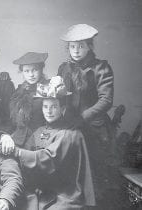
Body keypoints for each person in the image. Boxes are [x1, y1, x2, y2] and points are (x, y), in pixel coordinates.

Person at [12, 76, 95, 210]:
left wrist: (16, 152)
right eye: (45, 106)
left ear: (62, 109)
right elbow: (26, 157)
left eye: (54, 107)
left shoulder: (70, 133)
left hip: (64, 195)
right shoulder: (39, 131)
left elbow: (48, 158)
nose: (49, 111)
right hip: (41, 190)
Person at [57, 24, 114, 207]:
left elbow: (106, 100)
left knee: (96, 179)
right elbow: (61, 99)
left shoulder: (101, 68)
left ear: (90, 46)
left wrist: (82, 118)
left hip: (94, 129)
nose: (76, 50)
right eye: (72, 46)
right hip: (71, 127)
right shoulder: (64, 68)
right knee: (73, 177)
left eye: (81, 46)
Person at [10, 52, 49, 147]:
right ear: (22, 72)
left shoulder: (49, 88)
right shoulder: (19, 91)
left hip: (42, 137)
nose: (31, 74)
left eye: (35, 70)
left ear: (41, 69)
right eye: (26, 71)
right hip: (21, 138)